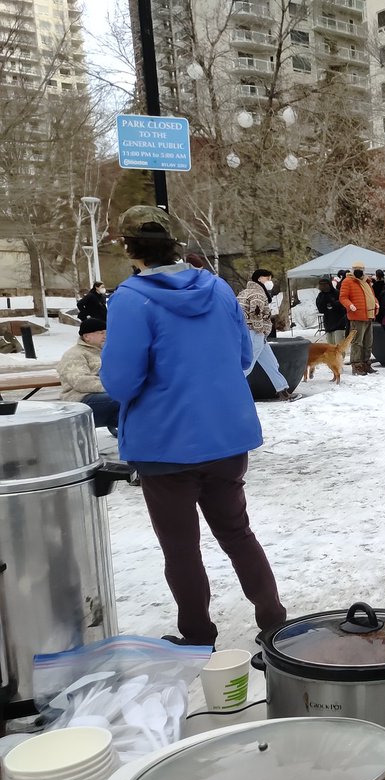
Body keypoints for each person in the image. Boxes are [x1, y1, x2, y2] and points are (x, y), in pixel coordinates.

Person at [100, 205, 286, 647]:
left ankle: (198, 635)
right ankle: (275, 621)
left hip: (165, 445)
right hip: (226, 437)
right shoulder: (219, 289)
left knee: (180, 547)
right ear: (175, 244)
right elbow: (245, 357)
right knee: (238, 532)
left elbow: (121, 382)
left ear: (130, 248)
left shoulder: (130, 298)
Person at [236, 268, 293, 401]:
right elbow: (256, 314)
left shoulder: (244, 292)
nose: (270, 281)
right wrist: (260, 330)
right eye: (268, 278)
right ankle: (230, 390)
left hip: (249, 332)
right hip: (255, 333)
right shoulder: (258, 294)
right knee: (247, 365)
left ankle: (282, 390)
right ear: (259, 278)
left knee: (271, 363)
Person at [57, 317, 119, 436]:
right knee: (122, 398)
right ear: (87, 337)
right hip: (80, 399)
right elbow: (81, 382)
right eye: (101, 333)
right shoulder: (75, 354)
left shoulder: (106, 352)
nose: (105, 335)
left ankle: (135, 435)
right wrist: (114, 388)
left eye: (106, 332)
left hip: (104, 395)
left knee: (141, 399)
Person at [339, 260, 377, 375]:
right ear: (352, 270)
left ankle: (366, 363)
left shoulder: (367, 282)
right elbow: (343, 297)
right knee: (357, 342)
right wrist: (350, 306)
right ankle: (356, 365)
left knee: (368, 341)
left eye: (361, 269)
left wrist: (376, 303)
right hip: (357, 316)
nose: (359, 271)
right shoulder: (348, 281)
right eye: (356, 269)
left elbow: (372, 296)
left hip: (369, 315)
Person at [316, 275, 347, 344]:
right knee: (331, 349)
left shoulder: (337, 293)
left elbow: (343, 307)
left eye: (325, 284)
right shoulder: (320, 296)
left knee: (339, 347)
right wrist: (324, 300)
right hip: (328, 325)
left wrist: (333, 302)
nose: (324, 286)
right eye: (322, 285)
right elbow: (321, 309)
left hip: (339, 324)